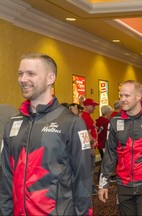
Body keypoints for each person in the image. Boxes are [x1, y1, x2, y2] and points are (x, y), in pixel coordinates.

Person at [0, 53, 92, 215]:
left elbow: (82, 179)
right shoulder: (13, 124)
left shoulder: (71, 122)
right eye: (20, 73)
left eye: (31, 74)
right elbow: (6, 179)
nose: (22, 79)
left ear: (50, 78)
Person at [98, 80, 142, 216]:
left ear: (138, 96)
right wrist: (103, 183)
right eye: (121, 96)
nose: (123, 100)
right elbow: (110, 154)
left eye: (127, 96)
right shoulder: (115, 122)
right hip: (123, 184)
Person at [81, 98, 99, 194]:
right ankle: (90, 189)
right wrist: (91, 147)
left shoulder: (86, 116)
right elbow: (86, 134)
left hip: (89, 146)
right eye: (93, 106)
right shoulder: (86, 117)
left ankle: (89, 187)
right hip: (89, 147)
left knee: (89, 169)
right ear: (87, 106)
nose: (94, 108)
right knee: (89, 169)